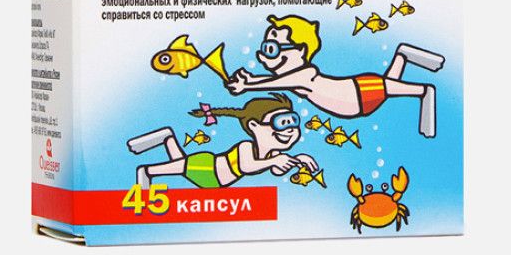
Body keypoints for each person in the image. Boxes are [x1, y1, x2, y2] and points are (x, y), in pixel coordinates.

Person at [225, 13, 443, 137]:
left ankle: (424, 91)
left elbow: (277, 83)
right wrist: (251, 80)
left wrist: (248, 86)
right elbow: (277, 81)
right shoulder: (295, 77)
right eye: (266, 47)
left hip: (359, 92)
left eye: (272, 48)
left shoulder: (305, 74)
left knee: (390, 87)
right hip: (359, 102)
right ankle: (402, 55)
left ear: (300, 51)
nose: (265, 55)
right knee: (389, 86)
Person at [126, 93, 319, 189]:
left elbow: (277, 170)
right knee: (177, 167)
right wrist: (275, 160)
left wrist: (297, 160)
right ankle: (146, 172)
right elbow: (247, 166)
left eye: (293, 122)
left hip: (214, 180)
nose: (289, 130)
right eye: (282, 123)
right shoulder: (246, 147)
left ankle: (167, 137)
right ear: (254, 125)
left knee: (179, 164)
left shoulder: (273, 155)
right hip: (207, 168)